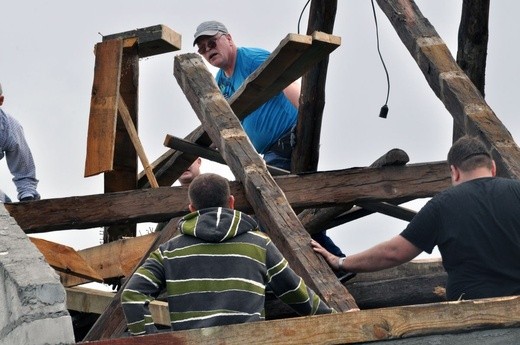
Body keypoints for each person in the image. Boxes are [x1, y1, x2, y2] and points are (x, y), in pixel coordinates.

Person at [193, 20, 345, 260]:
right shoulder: (221, 80)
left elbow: (289, 85)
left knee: (271, 210)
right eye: (202, 48)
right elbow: (224, 121)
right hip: (269, 152)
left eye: (212, 42)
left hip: (287, 141)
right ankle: (336, 261)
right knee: (292, 211)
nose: (208, 50)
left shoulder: (251, 58)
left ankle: (333, 261)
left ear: (228, 39)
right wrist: (196, 147)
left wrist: (307, 128)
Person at [121, 173, 334, 335]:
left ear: (191, 208)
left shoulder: (168, 252)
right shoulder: (259, 244)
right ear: (231, 202)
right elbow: (295, 291)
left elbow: (131, 297)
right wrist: (333, 318)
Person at [312, 136, 520, 301]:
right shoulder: (517, 191)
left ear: (454, 172)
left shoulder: (443, 205)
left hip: (473, 315)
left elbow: (393, 253)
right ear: (492, 167)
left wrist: (339, 261)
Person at [0, 82, 40, 202]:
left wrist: (27, 198)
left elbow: (25, 172)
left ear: (0, 101)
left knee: (4, 206)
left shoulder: (10, 128)